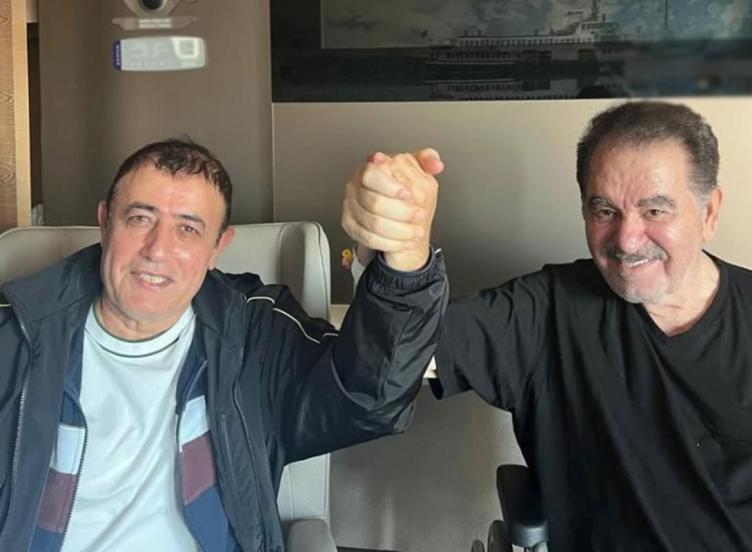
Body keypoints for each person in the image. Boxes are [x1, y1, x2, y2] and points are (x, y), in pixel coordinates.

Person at [346, 102, 752, 551]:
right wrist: (392, 254)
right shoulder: (549, 313)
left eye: (655, 210)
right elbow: (394, 354)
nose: (627, 239)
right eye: (605, 211)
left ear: (709, 212)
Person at [0, 139, 447, 551]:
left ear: (219, 247)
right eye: (140, 219)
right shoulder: (16, 334)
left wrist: (404, 262)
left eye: (188, 229)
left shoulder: (253, 335)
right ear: (104, 223)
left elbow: (368, 397)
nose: (157, 249)